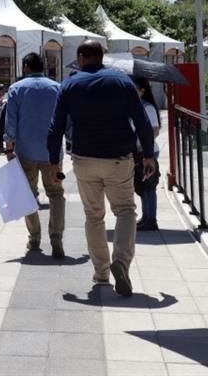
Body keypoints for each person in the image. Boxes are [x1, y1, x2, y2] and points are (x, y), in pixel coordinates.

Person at [47, 41, 155, 297]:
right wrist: (149, 155)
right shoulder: (122, 82)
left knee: (94, 216)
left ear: (82, 57)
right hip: (119, 158)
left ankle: (101, 272)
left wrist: (54, 161)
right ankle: (122, 262)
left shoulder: (70, 84)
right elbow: (141, 121)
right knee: (125, 211)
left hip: (84, 159)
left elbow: (56, 127)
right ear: (102, 57)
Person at [5, 53, 65, 259]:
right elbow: (66, 119)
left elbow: (11, 120)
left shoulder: (17, 89)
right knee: (56, 194)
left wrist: (8, 146)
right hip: (52, 153)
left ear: (26, 66)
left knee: (28, 196)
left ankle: (34, 237)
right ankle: (56, 235)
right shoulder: (57, 88)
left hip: (26, 151)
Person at [133, 78, 161, 232]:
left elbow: (155, 130)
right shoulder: (135, 106)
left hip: (148, 151)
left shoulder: (147, 107)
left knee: (149, 186)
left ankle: (151, 219)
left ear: (142, 90)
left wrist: (143, 146)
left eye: (134, 88)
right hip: (139, 151)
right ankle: (146, 217)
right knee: (143, 185)